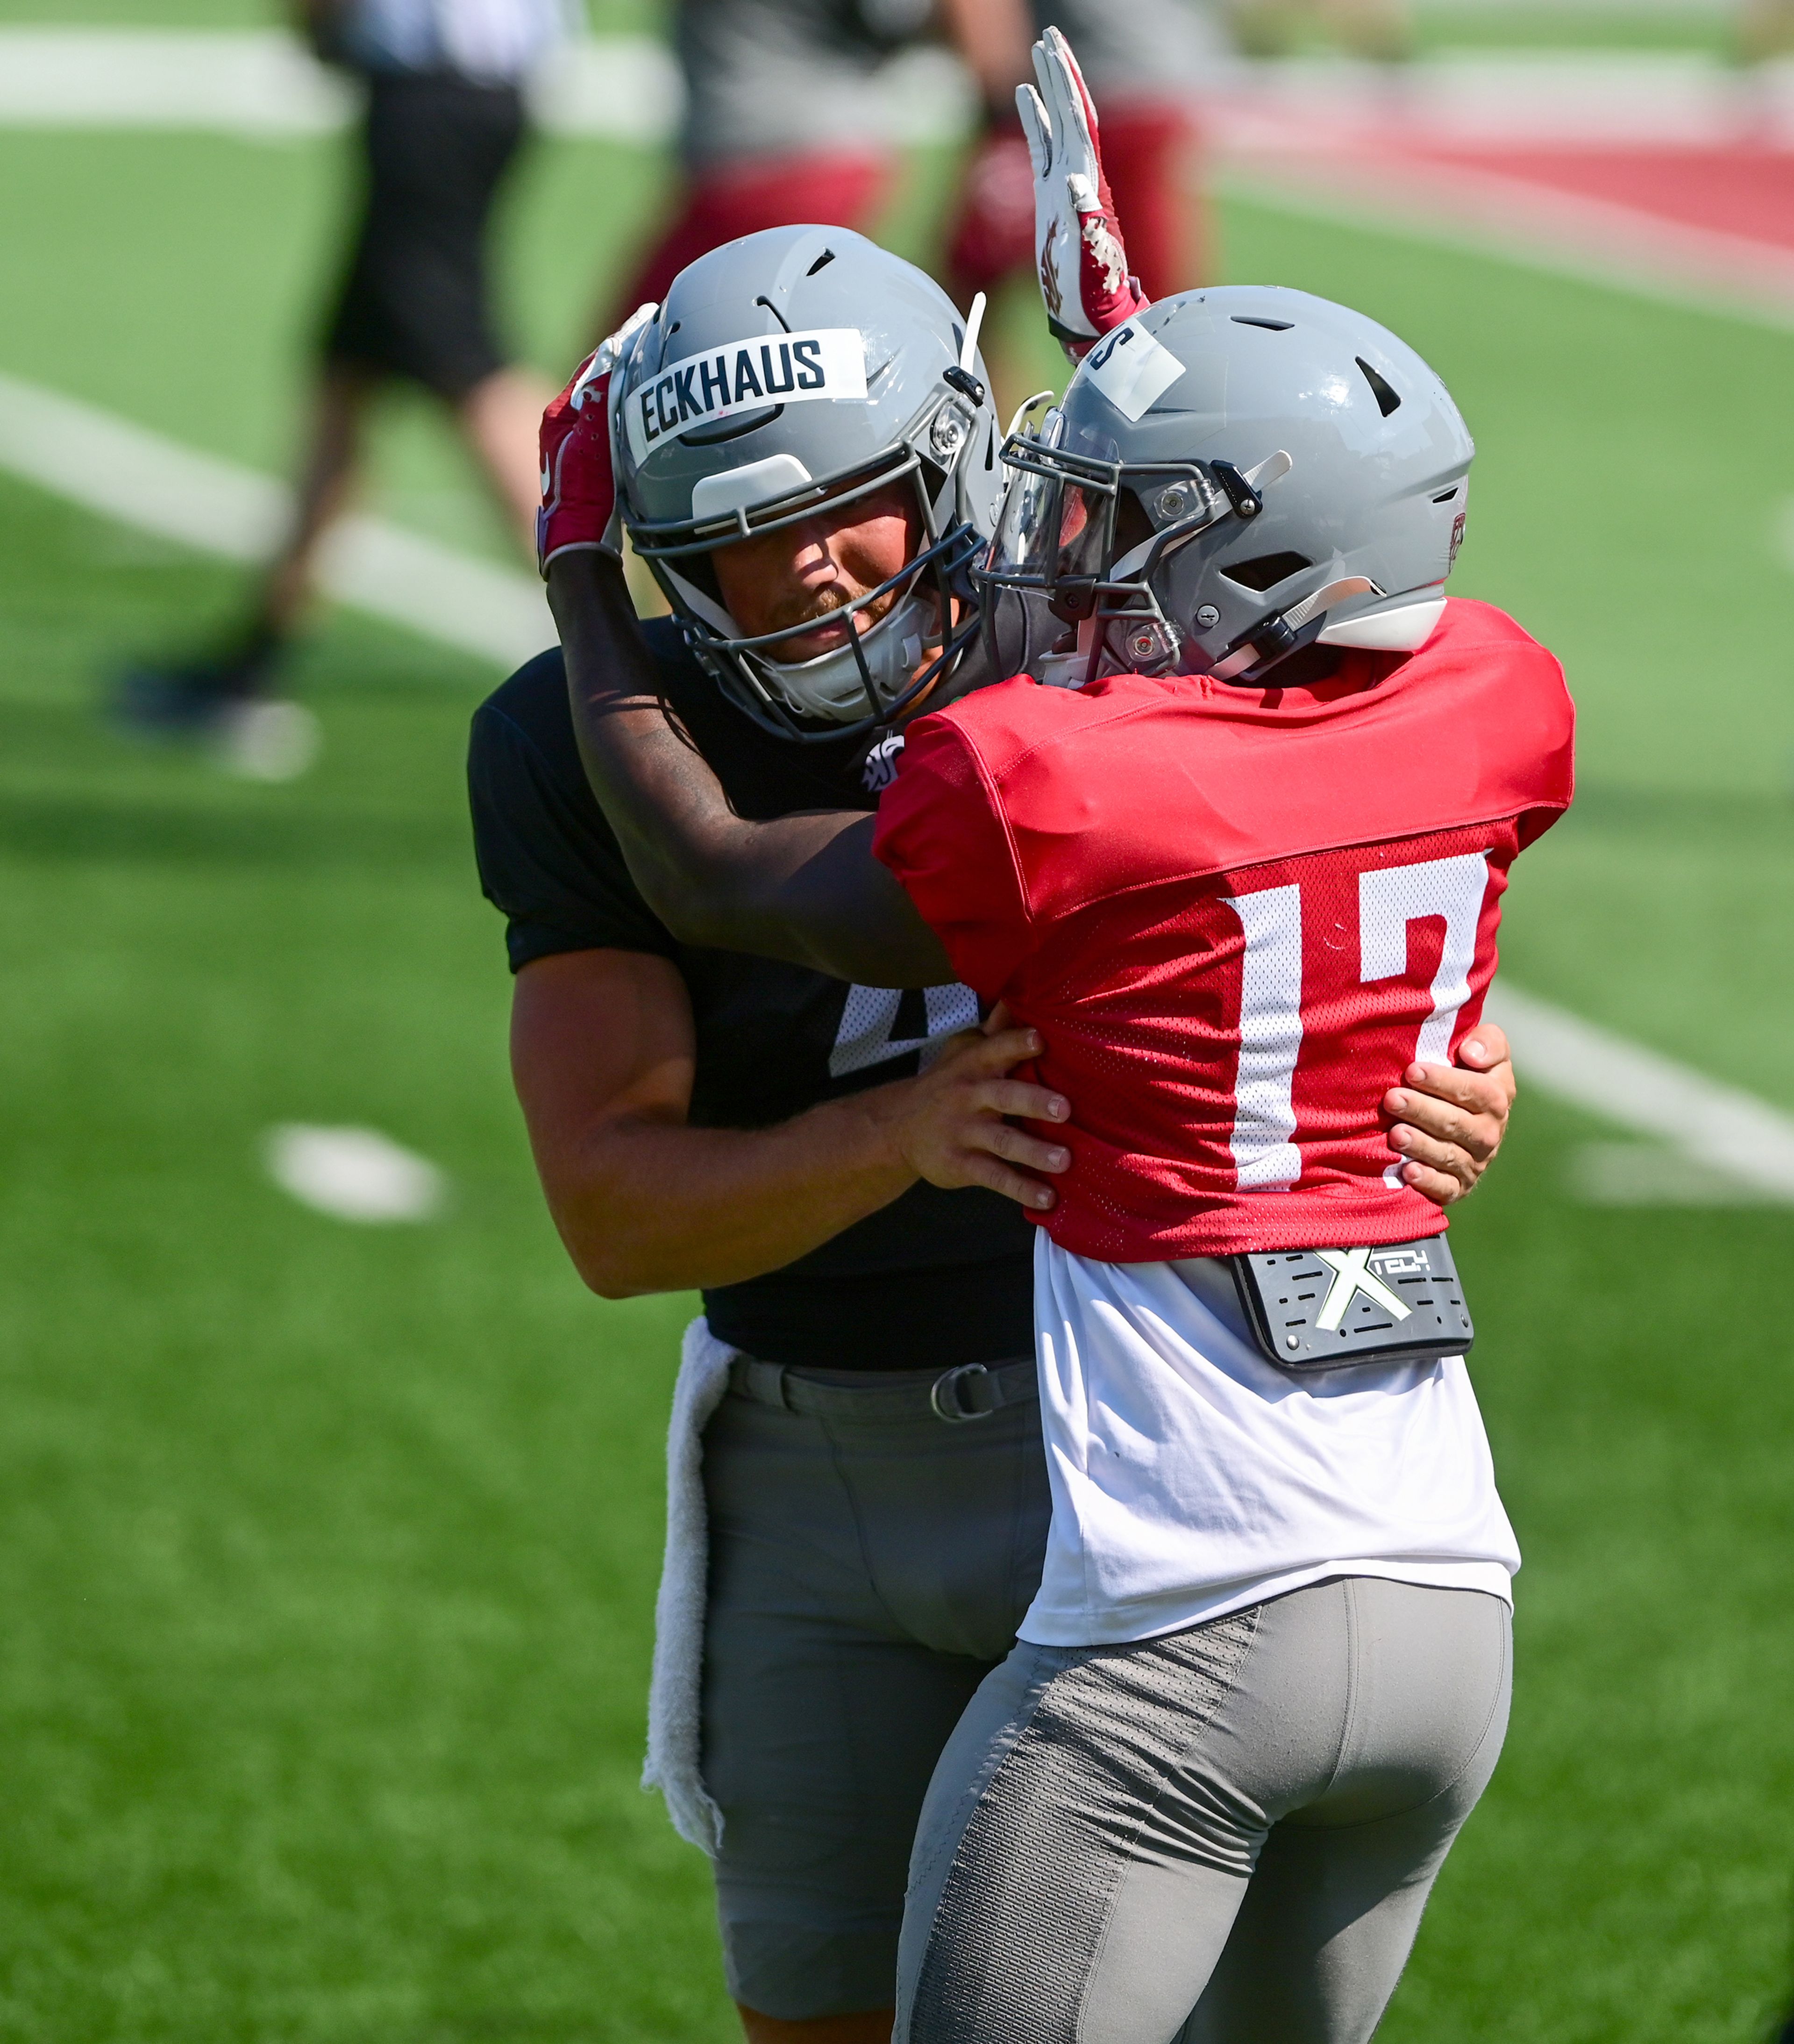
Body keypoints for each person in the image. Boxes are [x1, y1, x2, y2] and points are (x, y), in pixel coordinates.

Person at [480, 206, 1520, 2044]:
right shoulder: (575, 740)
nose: (804, 574)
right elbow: (617, 1219)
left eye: (845, 507)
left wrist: (1437, 1055)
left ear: (958, 460)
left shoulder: (1113, 651)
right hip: (816, 1458)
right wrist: (908, 1134)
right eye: (729, 547)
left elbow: (1347, 888)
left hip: (1125, 1448)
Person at [117, 0, 562, 775]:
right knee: (346, 381)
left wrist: (317, 23)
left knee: (468, 376)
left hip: (431, 96)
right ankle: (254, 658)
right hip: (486, 88)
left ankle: (626, 639)